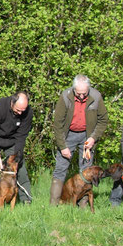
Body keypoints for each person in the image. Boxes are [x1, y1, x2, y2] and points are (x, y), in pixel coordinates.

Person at [50, 74, 108, 206]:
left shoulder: (96, 96)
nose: (81, 96)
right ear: (74, 89)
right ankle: (53, 204)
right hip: (68, 135)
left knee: (86, 168)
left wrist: (93, 138)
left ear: (89, 89)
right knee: (60, 168)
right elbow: (57, 124)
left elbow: (103, 120)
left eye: (84, 93)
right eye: (78, 93)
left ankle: (83, 205)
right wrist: (62, 146)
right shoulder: (65, 96)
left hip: (87, 136)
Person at [0, 92, 33, 204]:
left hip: (12, 140)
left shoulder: (27, 112)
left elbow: (21, 136)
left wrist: (17, 156)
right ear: (12, 102)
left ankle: (26, 200)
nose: (20, 113)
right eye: (18, 110)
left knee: (21, 170)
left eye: (22, 110)